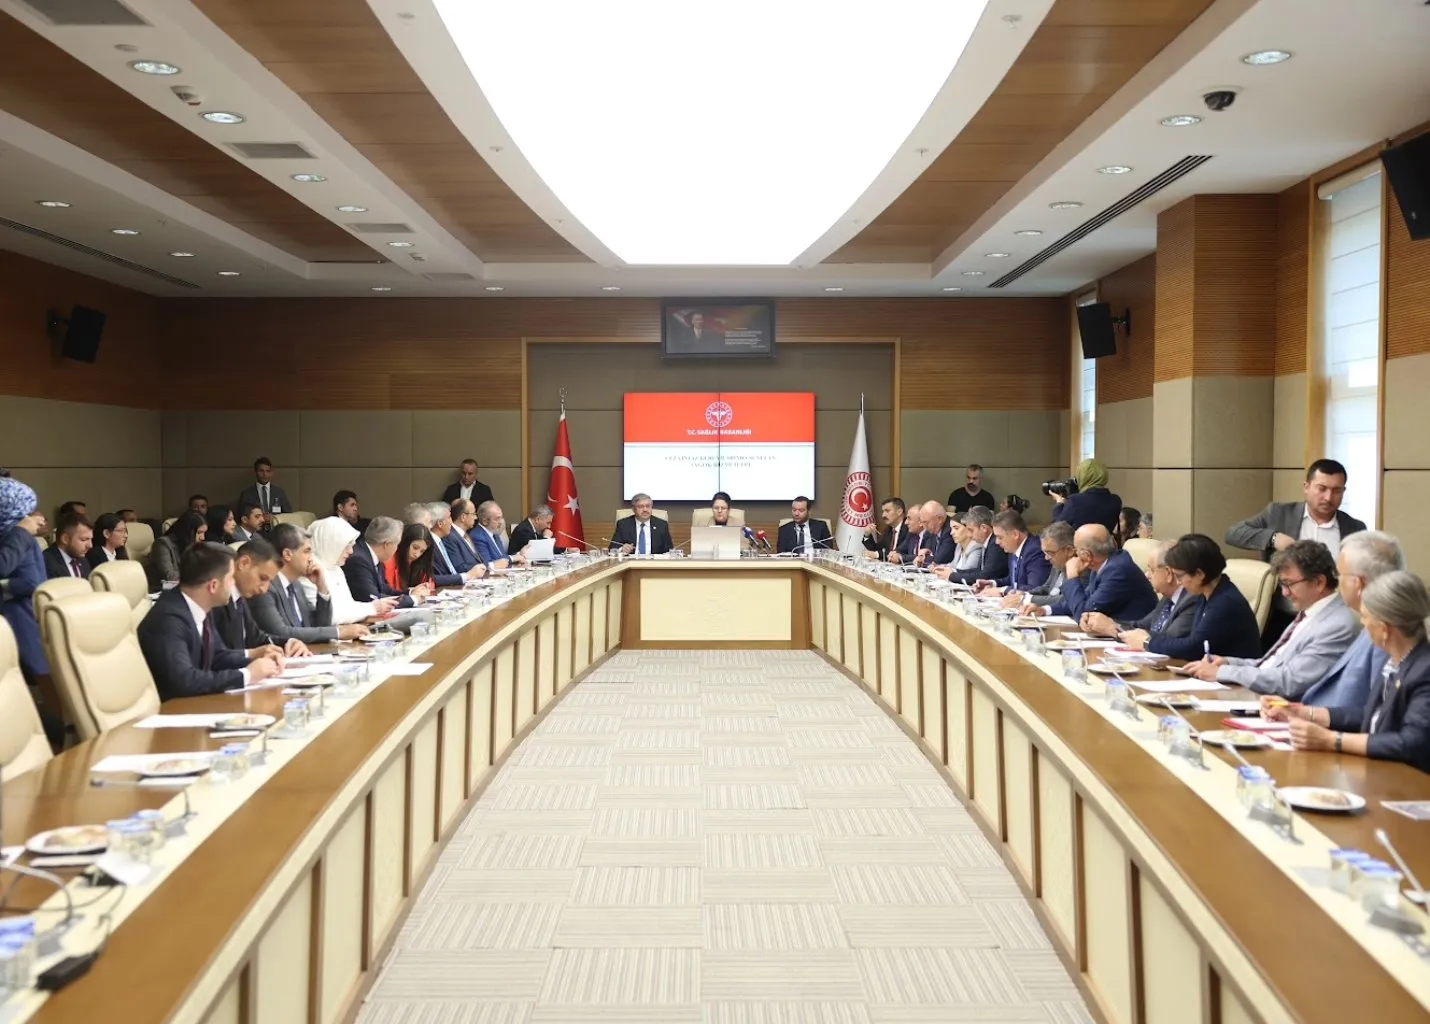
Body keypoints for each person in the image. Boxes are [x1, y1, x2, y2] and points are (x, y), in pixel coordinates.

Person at [1268, 571, 1430, 774]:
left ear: (1384, 628)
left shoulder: (1424, 670)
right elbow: (1373, 716)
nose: (1362, 623)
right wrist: (1306, 713)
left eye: (1365, 617)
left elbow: (1412, 743)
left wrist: (1332, 740)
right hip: (1378, 773)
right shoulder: (1396, 662)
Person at [1183, 540, 1360, 698]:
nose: (1285, 593)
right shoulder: (1309, 612)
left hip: (1291, 710)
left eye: (1289, 584)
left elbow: (1290, 681)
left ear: (1319, 582)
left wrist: (1222, 672)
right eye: (1283, 584)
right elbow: (1270, 665)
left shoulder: (1337, 625)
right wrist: (1228, 662)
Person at [137, 543, 284, 700]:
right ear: (213, 586)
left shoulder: (199, 608)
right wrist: (247, 675)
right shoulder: (168, 620)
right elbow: (184, 681)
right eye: (230, 579)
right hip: (175, 709)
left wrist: (258, 662)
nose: (234, 584)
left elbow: (217, 656)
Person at [1293, 531, 1405, 710]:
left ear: (1358, 583)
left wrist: (1313, 717)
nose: (1337, 582)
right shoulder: (1371, 620)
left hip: (1331, 725)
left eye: (1339, 574)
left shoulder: (1385, 631)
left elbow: (1378, 713)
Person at [0, 478, 61, 747]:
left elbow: (31, 582)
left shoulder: (18, 538)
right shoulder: (17, 535)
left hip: (20, 616)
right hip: (19, 614)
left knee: (41, 679)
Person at [1135, 533, 1262, 660]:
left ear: (1199, 574)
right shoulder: (1206, 594)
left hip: (1232, 672)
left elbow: (1193, 648)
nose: (1178, 582)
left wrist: (1148, 642)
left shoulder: (1225, 602)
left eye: (1179, 576)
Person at [249, 523, 369, 644]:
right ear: (287, 554)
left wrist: (321, 588)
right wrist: (338, 632)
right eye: (307, 551)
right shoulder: (264, 587)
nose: (311, 559)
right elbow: (281, 633)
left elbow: (318, 625)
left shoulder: (296, 585)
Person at [1225, 459, 1366, 560]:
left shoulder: (1355, 528)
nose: (1328, 497)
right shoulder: (1279, 513)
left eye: (1336, 491)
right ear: (1306, 487)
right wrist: (1273, 538)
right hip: (1285, 593)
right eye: (1322, 489)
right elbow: (1233, 533)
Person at [1031, 524, 1157, 622]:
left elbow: (1083, 615)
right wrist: (1045, 610)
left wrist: (1072, 576)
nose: (1075, 554)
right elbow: (1084, 601)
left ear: (1087, 555)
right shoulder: (1103, 565)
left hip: (1132, 637)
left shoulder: (1118, 571)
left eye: (1076, 549)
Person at [1083, 540, 1199, 645]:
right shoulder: (1168, 599)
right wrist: (1102, 623)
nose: (1147, 575)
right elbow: (1140, 626)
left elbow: (1166, 641)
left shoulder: (1190, 601)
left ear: (1168, 573)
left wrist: (1112, 630)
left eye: (1152, 570)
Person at [208, 538, 308, 658]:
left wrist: (289, 643)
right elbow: (216, 656)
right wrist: (251, 655)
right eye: (262, 578)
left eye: (269, 582)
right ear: (244, 563)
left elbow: (257, 638)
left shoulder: (240, 599)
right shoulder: (215, 600)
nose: (264, 589)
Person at [301, 517, 401, 626]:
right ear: (330, 542)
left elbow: (348, 605)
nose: (351, 551)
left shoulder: (336, 568)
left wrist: (374, 608)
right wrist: (372, 608)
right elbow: (328, 616)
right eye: (346, 545)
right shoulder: (310, 570)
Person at [345, 517, 423, 607]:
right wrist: (412, 599)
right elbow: (373, 598)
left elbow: (386, 590)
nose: (397, 549)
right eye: (397, 544)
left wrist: (410, 592)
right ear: (387, 544)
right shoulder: (358, 560)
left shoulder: (374, 557)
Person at [1004, 522, 1076, 609]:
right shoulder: (1057, 561)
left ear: (1069, 550)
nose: (1046, 558)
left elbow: (1068, 600)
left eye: (1049, 552)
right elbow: (1046, 588)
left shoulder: (1081, 569)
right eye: (1045, 553)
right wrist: (1025, 594)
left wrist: (1027, 599)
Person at [975, 511, 1049, 594]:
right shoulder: (1013, 548)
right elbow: (1013, 580)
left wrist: (1002, 590)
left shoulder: (1035, 551)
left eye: (1000, 537)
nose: (997, 542)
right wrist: (992, 583)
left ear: (1015, 534)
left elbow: (1034, 588)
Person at [1051, 458, 1121, 533]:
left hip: (1079, 540)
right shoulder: (1116, 501)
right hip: (1104, 540)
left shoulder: (1075, 501)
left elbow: (1057, 530)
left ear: (1082, 477)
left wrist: (1059, 504)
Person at [944, 507, 1008, 584]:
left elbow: (986, 576)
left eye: (971, 530)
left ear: (984, 528)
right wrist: (954, 571)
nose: (969, 535)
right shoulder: (988, 542)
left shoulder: (995, 544)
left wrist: (952, 576)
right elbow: (979, 570)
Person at [427, 502, 485, 586]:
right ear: (440, 523)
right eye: (449, 517)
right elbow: (432, 578)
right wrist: (467, 576)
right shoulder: (429, 544)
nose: (451, 522)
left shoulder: (439, 541)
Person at [148, 510, 207, 591]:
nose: (203, 538)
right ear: (186, 531)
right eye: (199, 532)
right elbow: (170, 576)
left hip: (188, 589)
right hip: (162, 591)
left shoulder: (193, 545)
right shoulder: (162, 544)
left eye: (204, 533)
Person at [237, 457, 292, 525]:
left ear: (271, 473)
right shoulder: (246, 494)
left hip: (276, 529)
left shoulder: (280, 493)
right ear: (256, 472)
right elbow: (242, 516)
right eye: (261, 471)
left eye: (267, 471)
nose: (264, 474)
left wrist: (273, 518)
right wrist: (260, 517)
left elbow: (288, 515)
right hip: (256, 530)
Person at [473, 502, 525, 569]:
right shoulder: (478, 537)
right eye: (497, 519)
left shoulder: (494, 534)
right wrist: (513, 558)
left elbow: (502, 557)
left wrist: (518, 555)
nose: (501, 522)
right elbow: (488, 564)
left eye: (501, 517)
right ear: (485, 521)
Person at [387, 523, 437, 592]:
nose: (417, 554)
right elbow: (389, 591)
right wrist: (411, 592)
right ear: (405, 542)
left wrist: (426, 588)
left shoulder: (422, 562)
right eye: (415, 547)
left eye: (422, 551)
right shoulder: (390, 560)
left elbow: (430, 584)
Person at [43, 513, 92, 579]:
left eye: (91, 539)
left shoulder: (84, 561)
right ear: (65, 539)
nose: (90, 545)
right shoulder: (45, 562)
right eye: (84, 539)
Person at [863, 497, 910, 562]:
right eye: (883, 512)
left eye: (887, 511)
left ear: (899, 512)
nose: (883, 515)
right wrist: (867, 535)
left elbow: (901, 552)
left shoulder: (909, 528)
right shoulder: (888, 529)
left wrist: (877, 554)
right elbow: (876, 549)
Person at [444, 499, 483, 573]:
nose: (476, 518)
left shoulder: (466, 535)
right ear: (463, 517)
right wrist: (487, 567)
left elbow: (478, 560)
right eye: (473, 514)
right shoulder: (450, 537)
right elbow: (459, 567)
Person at [912, 501, 955, 567]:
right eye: (922, 522)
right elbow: (921, 553)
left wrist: (924, 558)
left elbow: (939, 560)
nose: (924, 527)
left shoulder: (950, 530)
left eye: (926, 522)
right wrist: (923, 556)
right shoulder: (931, 530)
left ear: (939, 519)